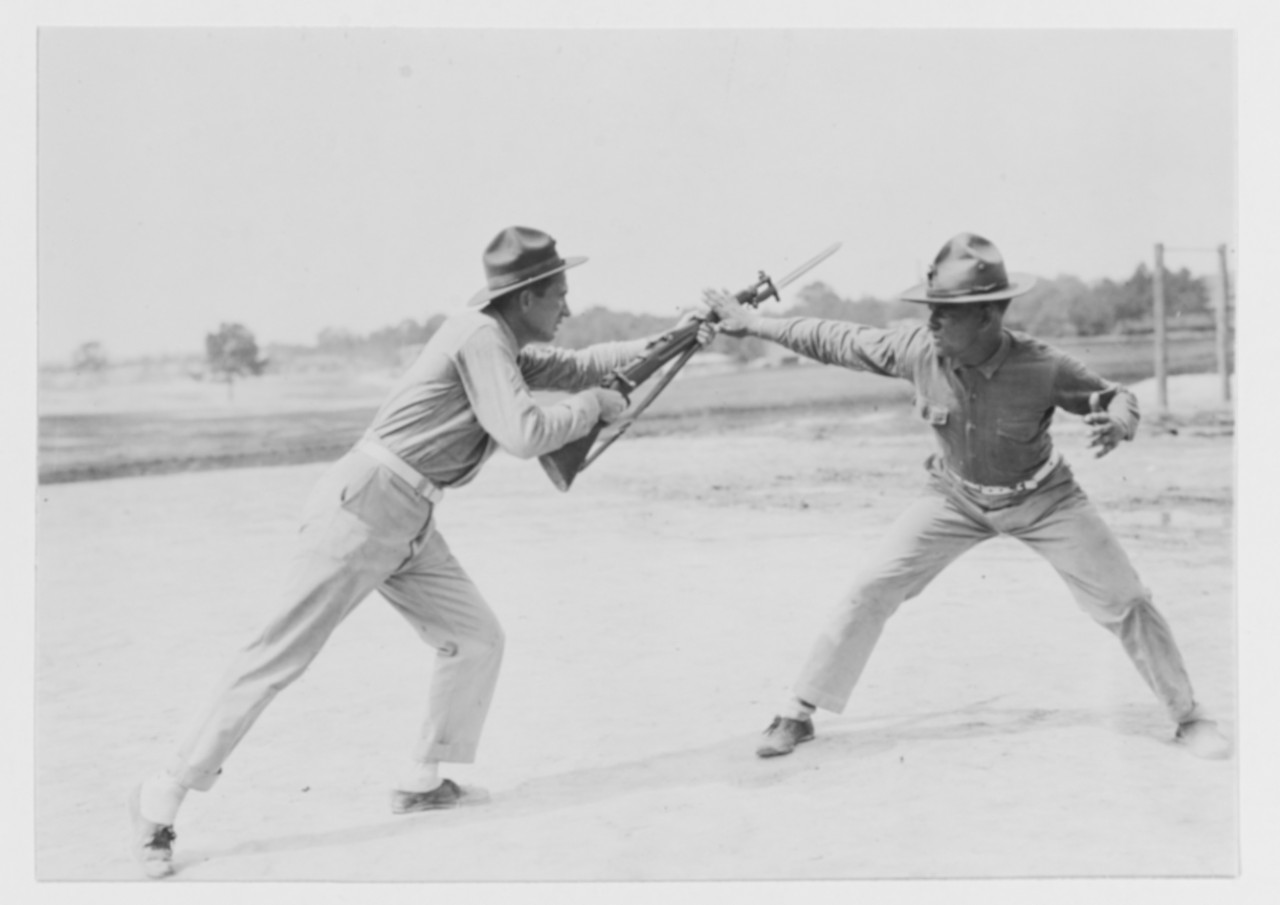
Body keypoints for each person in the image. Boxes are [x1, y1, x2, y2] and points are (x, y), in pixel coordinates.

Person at [128, 225, 713, 879]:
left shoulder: (505, 339)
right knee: (275, 658)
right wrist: (590, 409)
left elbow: (586, 364)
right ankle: (160, 800)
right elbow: (524, 434)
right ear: (525, 298)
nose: (567, 310)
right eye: (559, 296)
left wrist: (681, 332)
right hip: (361, 509)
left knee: (476, 637)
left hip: (411, 515)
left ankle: (421, 778)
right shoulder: (479, 336)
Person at [702, 232, 1229, 764]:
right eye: (930, 311)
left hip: (1045, 499)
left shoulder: (1043, 365)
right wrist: (754, 325)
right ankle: (797, 710)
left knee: (1129, 600)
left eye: (944, 314)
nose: (930, 323)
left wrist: (1118, 423)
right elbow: (835, 337)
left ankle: (1190, 717)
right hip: (954, 498)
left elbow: (1115, 395)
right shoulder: (915, 350)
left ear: (987, 317)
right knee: (871, 587)